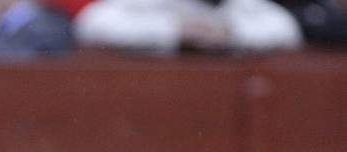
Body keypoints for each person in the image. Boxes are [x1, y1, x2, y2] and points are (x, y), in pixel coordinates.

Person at [73, 0, 303, 52]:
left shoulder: (239, 5)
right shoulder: (147, 4)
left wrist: (230, 32)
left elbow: (285, 27)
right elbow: (93, 22)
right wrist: (174, 30)